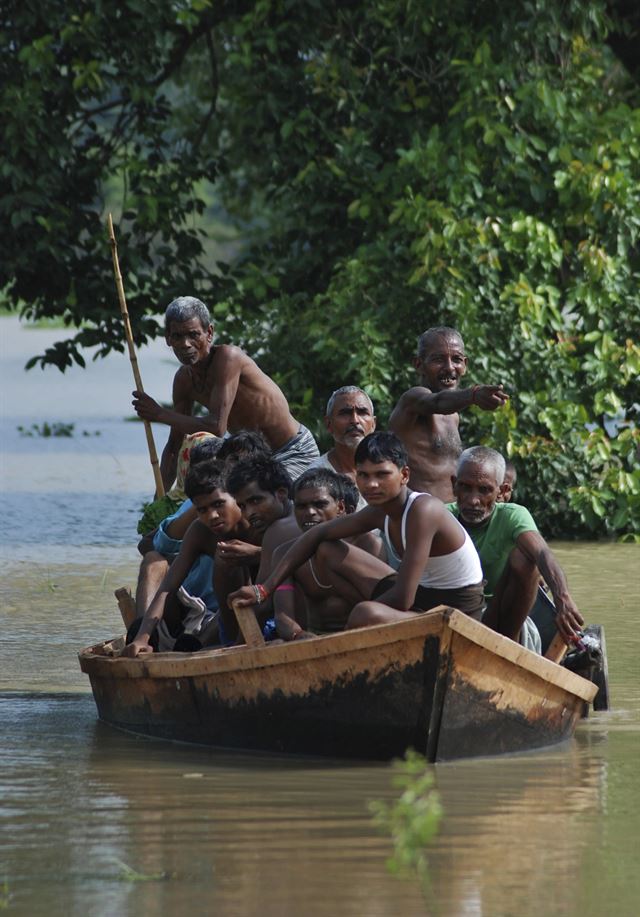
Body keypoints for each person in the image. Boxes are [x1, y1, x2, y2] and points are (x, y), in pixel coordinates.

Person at [229, 432, 485, 628]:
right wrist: (264, 589)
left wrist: (354, 623)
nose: (371, 484)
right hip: (421, 600)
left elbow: (403, 599)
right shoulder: (379, 510)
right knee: (326, 548)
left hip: (455, 612)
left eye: (382, 474)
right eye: (363, 475)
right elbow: (317, 534)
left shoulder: (423, 509)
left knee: (365, 613)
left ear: (404, 475)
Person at [132, 296, 319, 490]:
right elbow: (174, 447)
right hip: (250, 460)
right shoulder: (183, 380)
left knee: (261, 502)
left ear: (209, 333)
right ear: (168, 338)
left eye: (193, 335)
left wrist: (159, 414)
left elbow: (216, 426)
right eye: (177, 336)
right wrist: (158, 499)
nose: (185, 344)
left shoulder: (228, 358)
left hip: (292, 450)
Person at [449, 446, 584, 645]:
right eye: (465, 487)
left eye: (484, 490)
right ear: (454, 485)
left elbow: (541, 553)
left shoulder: (512, 515)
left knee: (525, 559)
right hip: (453, 615)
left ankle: (506, 649)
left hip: (499, 619)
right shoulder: (441, 515)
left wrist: (562, 598)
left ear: (501, 491)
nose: (473, 500)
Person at [121, 462, 253, 658]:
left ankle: (204, 644)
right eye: (202, 510)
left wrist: (257, 552)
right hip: (206, 613)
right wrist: (142, 637)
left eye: (218, 504)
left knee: (228, 561)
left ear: (236, 497)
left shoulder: (257, 525)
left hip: (251, 610)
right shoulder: (199, 530)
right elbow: (167, 587)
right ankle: (158, 638)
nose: (213, 516)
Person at [389, 326, 509, 502]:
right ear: (419, 364)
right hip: (414, 520)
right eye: (438, 360)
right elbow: (436, 402)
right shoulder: (412, 401)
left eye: (457, 359)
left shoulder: (453, 416)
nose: (450, 367)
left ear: (465, 365)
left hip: (452, 519)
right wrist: (474, 394)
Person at [272, 468, 384, 639]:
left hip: (366, 635)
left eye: (319, 504)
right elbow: (282, 616)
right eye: (301, 506)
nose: (309, 512)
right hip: (313, 639)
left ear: (340, 507)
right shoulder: (284, 554)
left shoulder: (369, 545)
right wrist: (299, 635)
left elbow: (384, 604)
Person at [221, 456, 300, 642]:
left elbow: (261, 605)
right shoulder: (299, 513)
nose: (249, 513)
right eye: (242, 506)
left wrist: (236, 653)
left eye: (256, 501)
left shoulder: (277, 529)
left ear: (281, 494)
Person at [311, 386, 376, 508]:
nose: (355, 420)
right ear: (329, 424)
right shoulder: (315, 477)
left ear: (373, 424)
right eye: (345, 413)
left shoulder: (390, 470)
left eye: (362, 412)